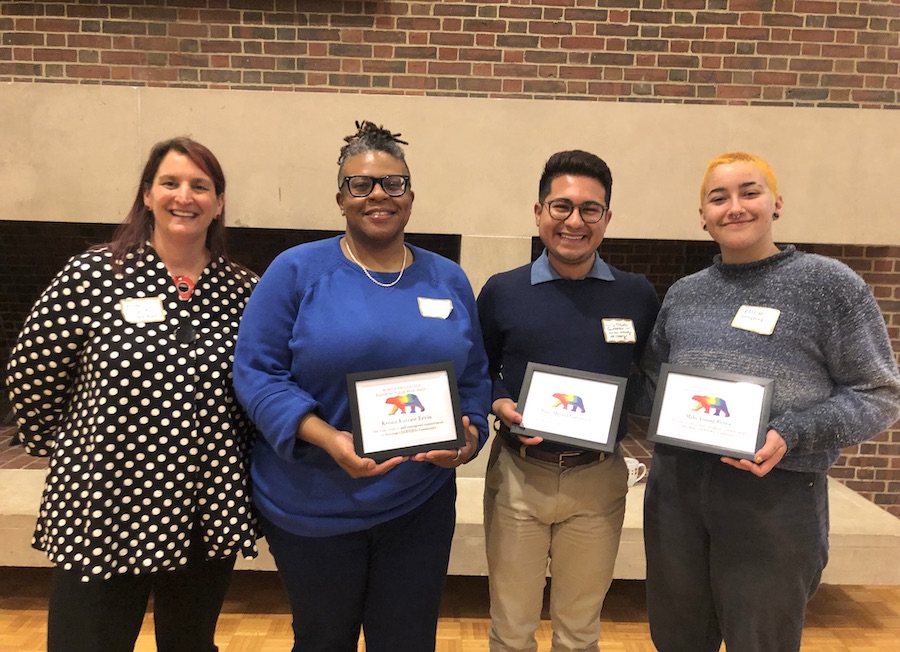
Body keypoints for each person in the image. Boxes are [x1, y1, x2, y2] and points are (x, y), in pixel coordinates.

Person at [232, 120, 491, 652]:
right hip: (314, 505)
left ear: (411, 197)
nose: (378, 194)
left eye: (393, 183)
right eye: (361, 184)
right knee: (323, 640)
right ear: (341, 198)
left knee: (407, 641)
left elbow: (474, 378)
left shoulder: (448, 279)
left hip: (417, 505)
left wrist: (468, 439)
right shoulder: (295, 271)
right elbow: (257, 373)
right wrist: (328, 438)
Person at [5, 137, 259, 652]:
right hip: (105, 500)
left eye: (199, 185)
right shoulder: (92, 275)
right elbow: (33, 371)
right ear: (147, 195)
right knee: (87, 642)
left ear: (219, 202)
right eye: (170, 183)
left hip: (202, 504)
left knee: (189, 642)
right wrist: (70, 449)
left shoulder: (244, 291)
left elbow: (260, 386)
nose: (183, 196)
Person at [639, 152, 900, 652]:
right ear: (703, 216)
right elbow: (655, 385)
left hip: (775, 495)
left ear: (776, 204)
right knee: (676, 637)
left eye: (749, 192)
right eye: (719, 198)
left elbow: (880, 395)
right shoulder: (684, 294)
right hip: (677, 493)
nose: (734, 207)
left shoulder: (829, 285)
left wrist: (792, 434)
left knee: (762, 641)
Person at [477, 150, 661, 652]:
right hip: (519, 476)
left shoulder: (637, 295)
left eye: (590, 210)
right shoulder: (502, 291)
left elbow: (650, 378)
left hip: (597, 480)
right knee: (511, 630)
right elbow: (479, 371)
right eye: (561, 206)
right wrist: (499, 403)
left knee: (580, 633)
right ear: (539, 212)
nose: (574, 221)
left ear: (607, 219)